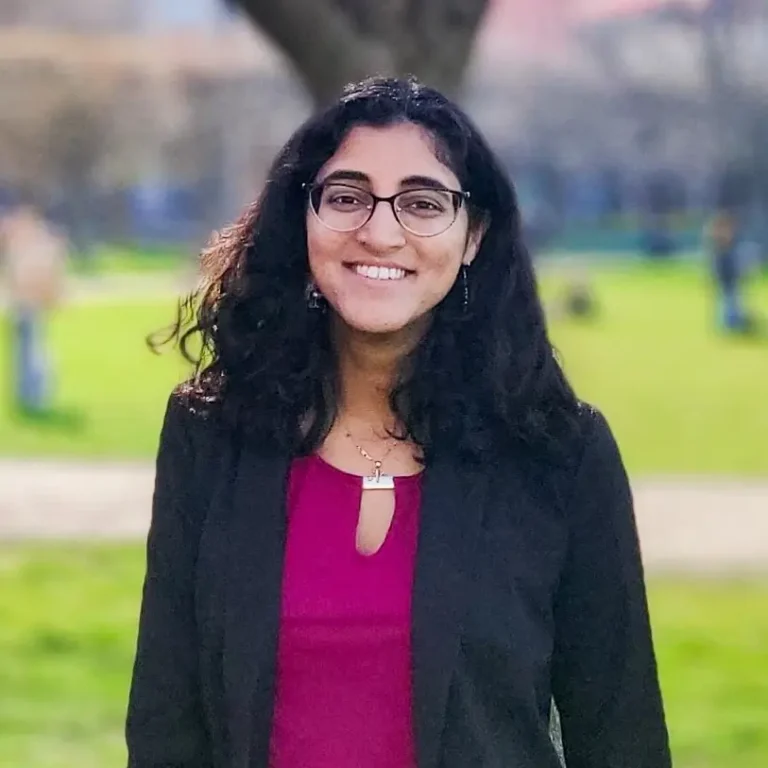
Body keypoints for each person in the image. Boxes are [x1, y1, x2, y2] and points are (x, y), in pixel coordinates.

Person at [126, 77, 671, 768]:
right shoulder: (210, 432)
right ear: (304, 218)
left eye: (422, 203)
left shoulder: (559, 453)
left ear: (473, 235)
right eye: (347, 197)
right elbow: (166, 720)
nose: (380, 232)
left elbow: (620, 732)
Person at [0, 204, 68, 414]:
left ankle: (33, 395)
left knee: (32, 352)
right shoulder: (28, 245)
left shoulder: (37, 245)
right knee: (28, 353)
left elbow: (45, 277)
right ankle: (30, 395)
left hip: (30, 307)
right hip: (25, 308)